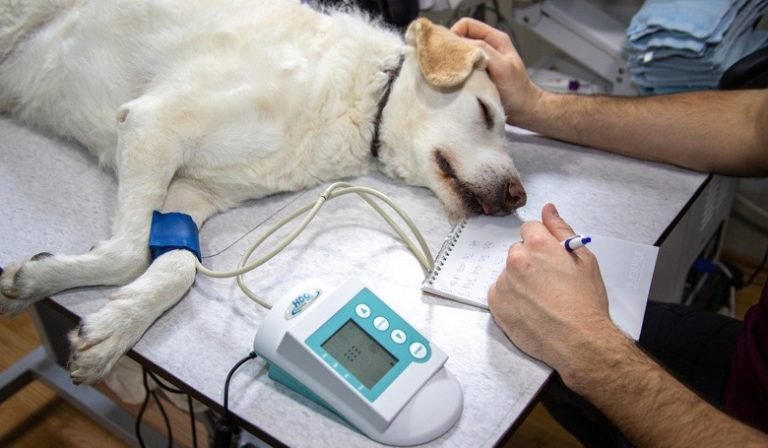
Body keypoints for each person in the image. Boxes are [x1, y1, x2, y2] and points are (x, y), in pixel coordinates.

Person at [450, 17, 768, 447]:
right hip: (752, 363)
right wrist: (534, 104)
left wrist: (584, 344)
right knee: (554, 381)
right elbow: (754, 124)